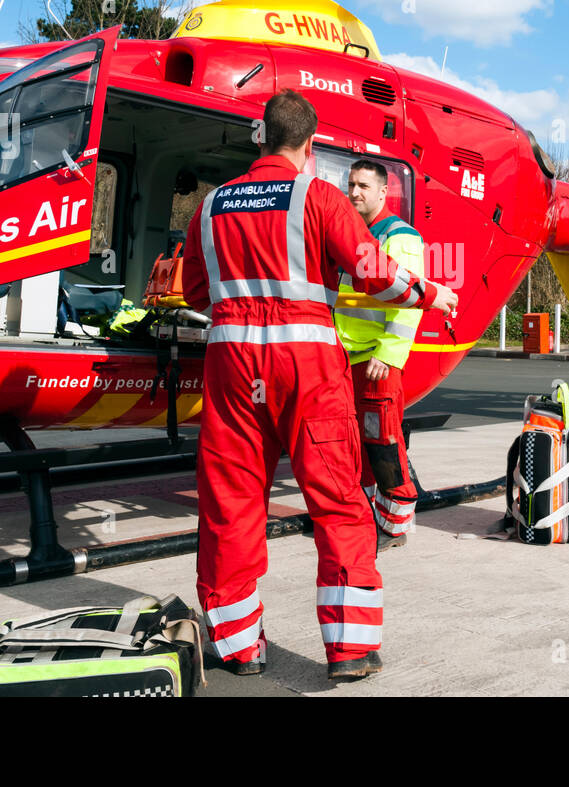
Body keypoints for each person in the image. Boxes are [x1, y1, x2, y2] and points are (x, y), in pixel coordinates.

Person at [180, 89, 458, 682]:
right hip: (307, 367)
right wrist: (432, 293)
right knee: (336, 499)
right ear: (310, 145)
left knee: (230, 504)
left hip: (232, 368)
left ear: (261, 135)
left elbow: (194, 292)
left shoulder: (210, 208)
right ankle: (351, 650)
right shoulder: (319, 197)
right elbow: (374, 273)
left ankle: (237, 646)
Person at [335, 160, 424, 551]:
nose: (354, 192)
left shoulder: (399, 237)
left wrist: (387, 354)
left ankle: (395, 526)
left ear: (383, 192)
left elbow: (409, 304)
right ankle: (367, 516)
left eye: (363, 186)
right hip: (346, 356)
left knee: (383, 440)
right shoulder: (351, 234)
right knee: (357, 442)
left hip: (375, 360)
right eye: (351, 184)